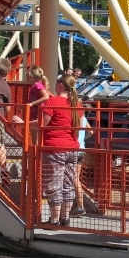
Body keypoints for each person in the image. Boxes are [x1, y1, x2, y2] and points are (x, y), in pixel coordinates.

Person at [40, 74, 81, 226]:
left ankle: (54, 219)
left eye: (57, 81)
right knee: (68, 184)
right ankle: (65, 218)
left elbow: (42, 124)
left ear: (61, 85)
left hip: (55, 147)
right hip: (72, 147)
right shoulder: (76, 103)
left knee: (54, 185)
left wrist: (22, 123)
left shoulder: (53, 101)